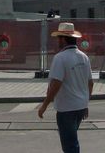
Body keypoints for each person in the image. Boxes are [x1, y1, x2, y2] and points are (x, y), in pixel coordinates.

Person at [38, 22, 93, 153]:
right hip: (80, 106)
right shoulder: (84, 57)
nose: (57, 41)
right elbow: (90, 83)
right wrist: (85, 103)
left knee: (70, 145)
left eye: (58, 38)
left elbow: (56, 84)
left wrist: (44, 105)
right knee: (72, 140)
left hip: (66, 108)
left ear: (63, 39)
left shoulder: (60, 58)